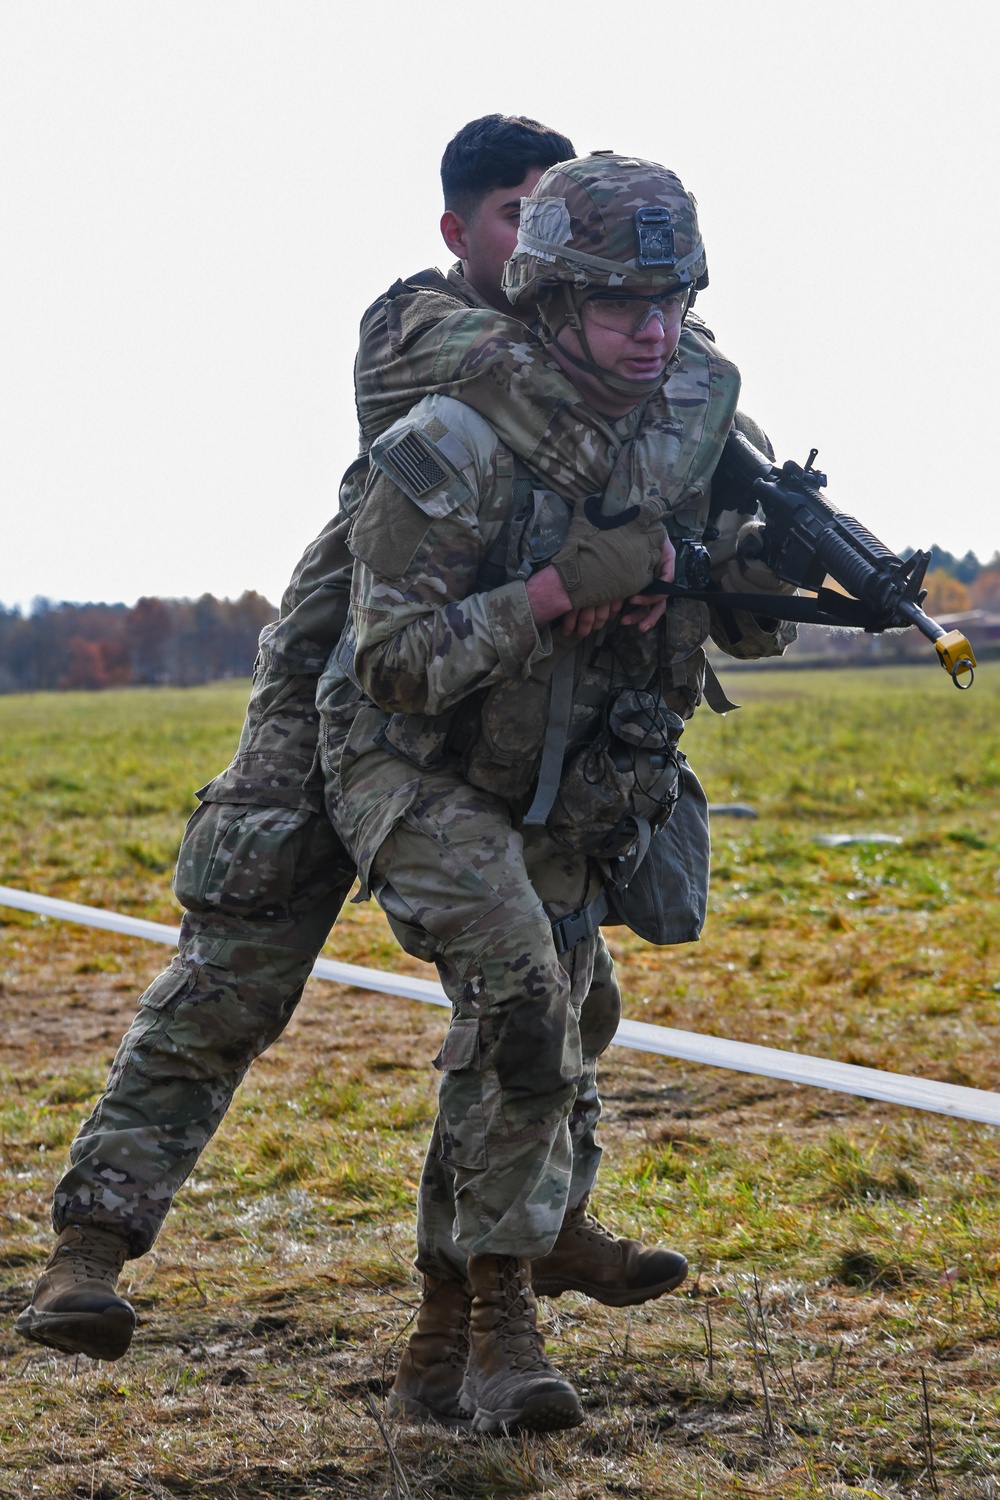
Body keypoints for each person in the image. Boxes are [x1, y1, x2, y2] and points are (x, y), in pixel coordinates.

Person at [16, 118, 719, 1375]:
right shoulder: (423, 336)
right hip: (345, 691)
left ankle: (526, 1238)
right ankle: (92, 1245)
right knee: (233, 974)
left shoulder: (632, 357)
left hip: (497, 712)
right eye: (519, 211)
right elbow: (540, 406)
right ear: (465, 233)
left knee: (546, 984)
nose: (541, 232)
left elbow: (671, 422)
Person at [315, 152, 796, 1434]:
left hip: (562, 775)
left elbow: (746, 632)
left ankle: (435, 1344)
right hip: (410, 766)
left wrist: (718, 570)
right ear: (546, 302)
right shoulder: (453, 436)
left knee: (552, 1024)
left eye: (673, 301)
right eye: (620, 305)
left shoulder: (695, 419)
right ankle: (501, 1332)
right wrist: (554, 592)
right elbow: (394, 665)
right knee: (523, 989)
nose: (653, 332)